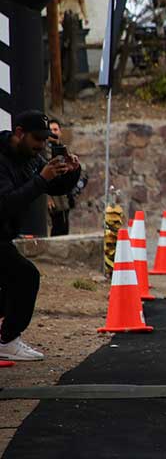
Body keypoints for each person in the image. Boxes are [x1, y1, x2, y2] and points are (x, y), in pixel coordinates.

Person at [0, 111, 81, 361]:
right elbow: (6, 204)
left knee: (10, 287)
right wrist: (41, 178)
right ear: (20, 133)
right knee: (26, 276)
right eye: (37, 139)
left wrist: (71, 172)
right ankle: (8, 340)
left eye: (46, 140)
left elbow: (53, 186)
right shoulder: (2, 160)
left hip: (2, 237)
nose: (42, 146)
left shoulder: (30, 157)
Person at [46, 119, 88, 236]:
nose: (53, 132)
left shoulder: (63, 149)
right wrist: (47, 198)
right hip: (52, 197)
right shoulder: (43, 151)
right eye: (50, 130)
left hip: (64, 197)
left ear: (60, 132)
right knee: (56, 227)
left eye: (55, 129)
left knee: (63, 227)